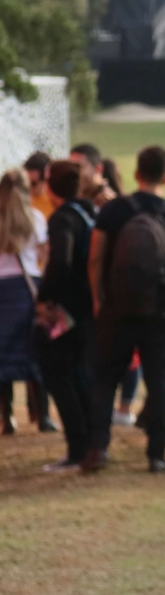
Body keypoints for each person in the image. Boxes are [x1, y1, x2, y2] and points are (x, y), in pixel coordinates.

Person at [83, 146, 165, 473]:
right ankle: (156, 455)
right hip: (159, 312)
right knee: (159, 383)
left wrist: (98, 298)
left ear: (136, 174)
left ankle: (97, 449)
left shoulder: (113, 211)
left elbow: (95, 259)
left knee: (105, 379)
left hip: (116, 310)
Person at [33, 160, 97, 470]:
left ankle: (77, 448)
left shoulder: (61, 219)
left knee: (59, 377)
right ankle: (90, 444)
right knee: (80, 376)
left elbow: (60, 261)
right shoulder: (89, 212)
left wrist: (45, 297)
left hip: (67, 311)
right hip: (88, 308)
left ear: (50, 186)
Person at [0, 170, 52, 435]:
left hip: (2, 289)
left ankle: (6, 417)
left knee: (3, 354)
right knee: (35, 351)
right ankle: (42, 415)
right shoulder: (36, 218)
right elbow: (44, 255)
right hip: (28, 287)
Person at [24, 152, 54, 220]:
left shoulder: (55, 202)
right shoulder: (18, 197)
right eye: (25, 182)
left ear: (46, 180)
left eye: (33, 183)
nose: (27, 187)